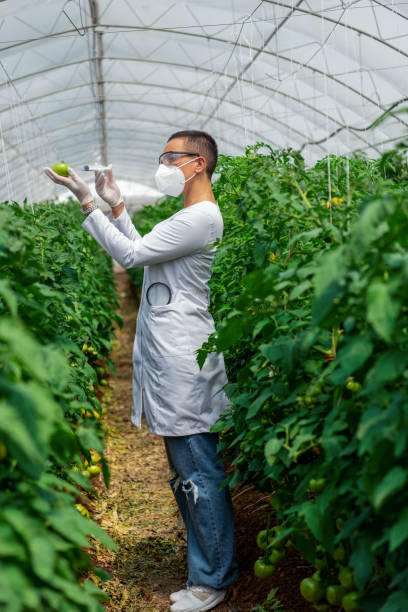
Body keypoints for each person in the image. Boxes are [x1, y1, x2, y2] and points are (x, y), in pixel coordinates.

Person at [43, 130, 239, 612]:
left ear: (196, 164)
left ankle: (212, 582)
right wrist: (116, 209)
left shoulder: (200, 217)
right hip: (175, 352)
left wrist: (88, 201)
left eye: (171, 157)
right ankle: (203, 572)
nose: (164, 164)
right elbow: (143, 250)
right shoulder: (190, 216)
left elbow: (129, 256)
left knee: (198, 470)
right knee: (187, 470)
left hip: (184, 357)